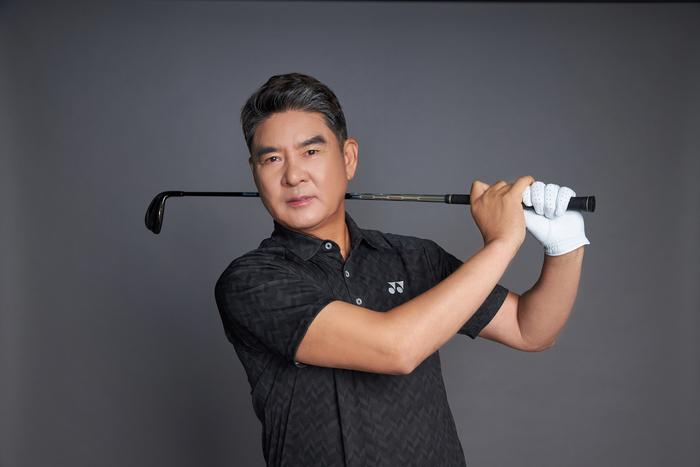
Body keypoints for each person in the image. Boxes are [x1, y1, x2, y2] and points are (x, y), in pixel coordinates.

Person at [215, 73, 589, 467]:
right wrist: (502, 242)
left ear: (347, 158)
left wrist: (564, 247)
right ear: (255, 172)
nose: (293, 175)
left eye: (310, 151)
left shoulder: (414, 256)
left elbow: (530, 330)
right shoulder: (250, 281)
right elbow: (396, 348)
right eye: (272, 158)